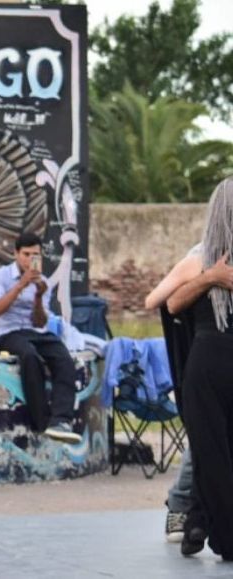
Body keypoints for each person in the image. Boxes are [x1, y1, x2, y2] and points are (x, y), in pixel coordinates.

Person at [165, 176, 233, 562]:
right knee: (210, 455)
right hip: (207, 365)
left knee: (219, 455)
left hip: (212, 363)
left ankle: (197, 520)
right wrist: (211, 278)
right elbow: (170, 303)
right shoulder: (202, 259)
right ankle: (212, 529)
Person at [0, 232, 81, 443]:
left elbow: (39, 322)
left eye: (35, 255)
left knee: (63, 358)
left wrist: (38, 296)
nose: (30, 259)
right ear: (16, 254)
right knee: (29, 358)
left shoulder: (43, 282)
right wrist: (20, 285)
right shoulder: (0, 276)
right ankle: (42, 422)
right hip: (8, 332)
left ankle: (62, 420)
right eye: (26, 254)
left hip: (35, 331)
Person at [144, 244, 207, 552]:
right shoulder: (202, 254)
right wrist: (207, 279)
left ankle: (193, 510)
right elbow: (156, 300)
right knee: (208, 436)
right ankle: (181, 504)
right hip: (205, 356)